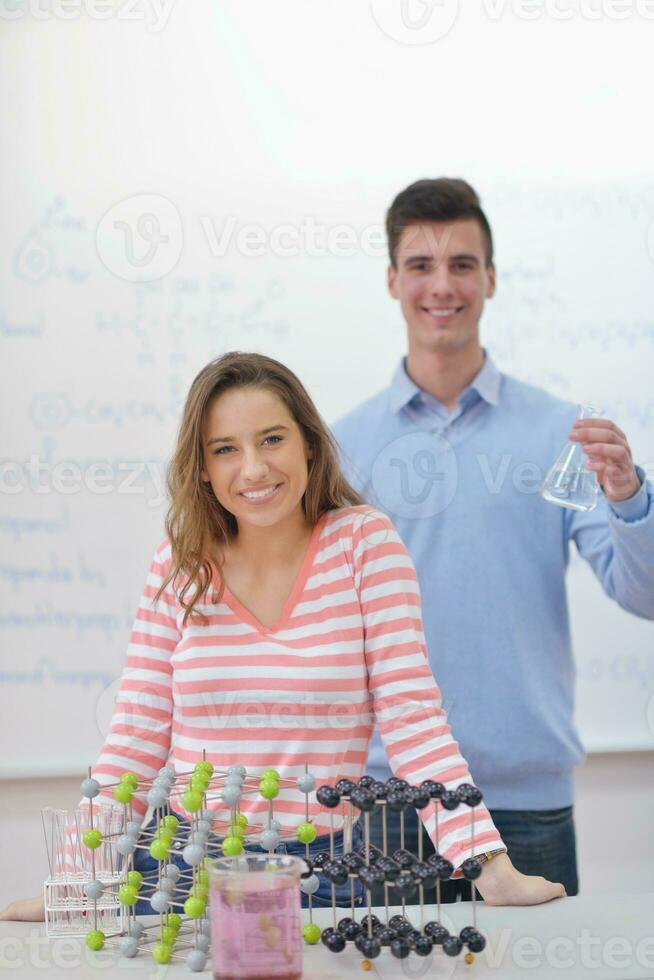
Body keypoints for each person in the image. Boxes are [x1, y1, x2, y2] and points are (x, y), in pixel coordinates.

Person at [2, 351, 565, 923]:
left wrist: (487, 866)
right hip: (178, 874)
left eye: (272, 439)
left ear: (309, 445)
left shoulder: (364, 544)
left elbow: (413, 718)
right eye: (225, 449)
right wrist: (74, 881)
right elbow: (135, 737)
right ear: (201, 466)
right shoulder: (179, 565)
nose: (253, 469)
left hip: (317, 877)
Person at [330, 178, 654, 903]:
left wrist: (630, 496)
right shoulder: (340, 449)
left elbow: (646, 596)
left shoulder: (563, 434)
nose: (441, 286)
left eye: (462, 264)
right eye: (420, 265)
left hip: (523, 803)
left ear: (492, 278)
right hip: (386, 803)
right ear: (391, 280)